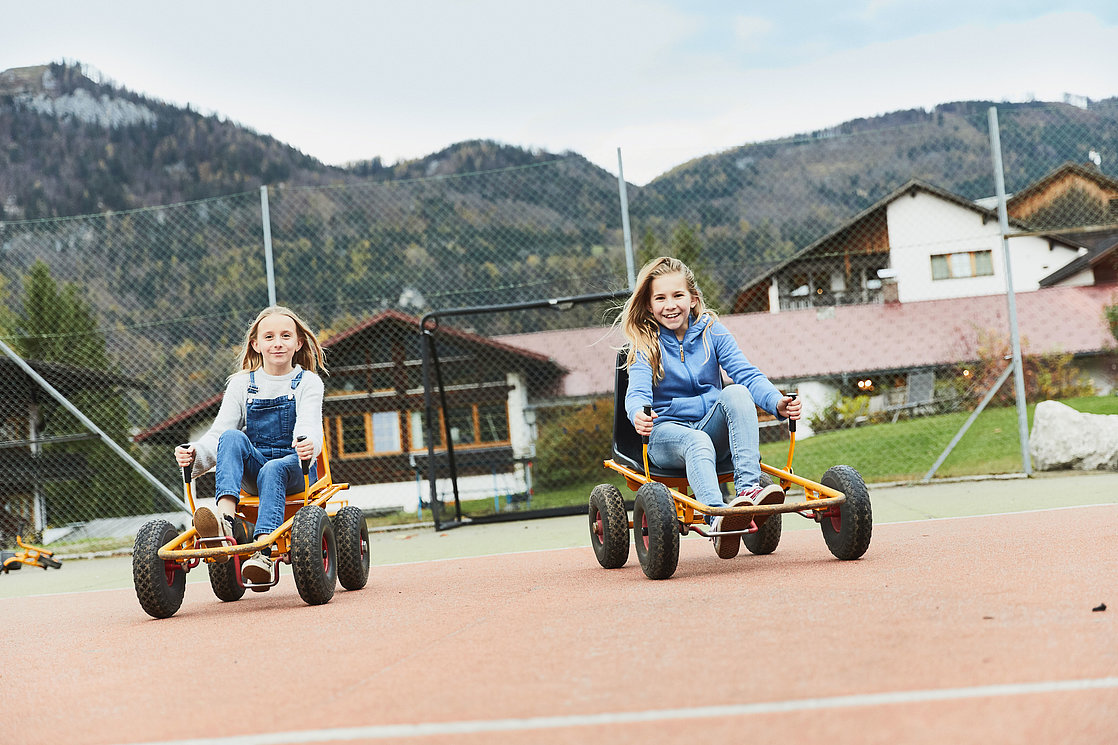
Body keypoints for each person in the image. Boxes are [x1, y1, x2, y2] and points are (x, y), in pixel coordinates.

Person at [619, 256, 801, 559]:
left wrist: (777, 402)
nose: (670, 305)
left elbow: (746, 373)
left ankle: (748, 490)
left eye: (678, 295)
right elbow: (636, 392)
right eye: (660, 298)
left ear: (693, 298)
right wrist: (638, 412)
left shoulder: (711, 332)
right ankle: (717, 517)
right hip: (666, 436)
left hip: (708, 427)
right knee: (697, 440)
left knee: (737, 392)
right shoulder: (645, 344)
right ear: (649, 306)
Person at [175, 306, 327, 588]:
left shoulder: (308, 382)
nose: (277, 343)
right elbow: (219, 433)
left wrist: (308, 443)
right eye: (269, 337)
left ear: (298, 343)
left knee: (274, 469)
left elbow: (309, 423)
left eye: (285, 336)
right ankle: (226, 522)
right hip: (257, 470)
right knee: (232, 437)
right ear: (256, 344)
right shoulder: (242, 384)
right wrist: (195, 452)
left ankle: (263, 552)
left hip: (296, 468)